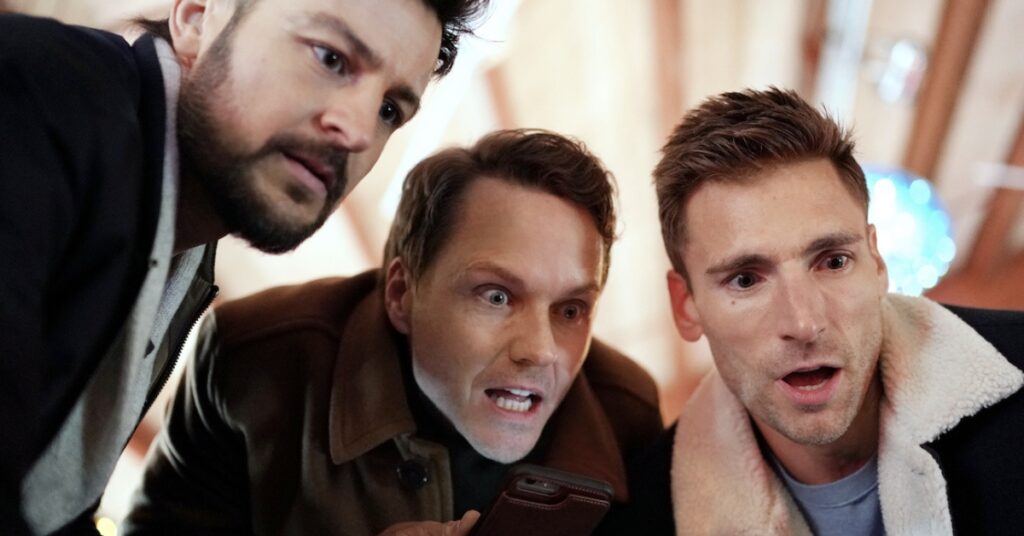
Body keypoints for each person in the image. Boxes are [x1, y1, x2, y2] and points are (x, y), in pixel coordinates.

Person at [0, 0, 486, 532]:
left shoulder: (177, 253)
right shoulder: (36, 95)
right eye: (330, 58)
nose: (358, 133)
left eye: (388, 109)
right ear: (196, 18)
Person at [122, 129, 663, 535]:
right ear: (402, 293)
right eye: (497, 296)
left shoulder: (626, 411)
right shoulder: (254, 358)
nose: (541, 351)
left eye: (570, 310)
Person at [608, 87, 1024, 535]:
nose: (804, 323)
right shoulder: (640, 517)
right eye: (745, 279)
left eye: (833, 262)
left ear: (876, 261)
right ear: (685, 305)